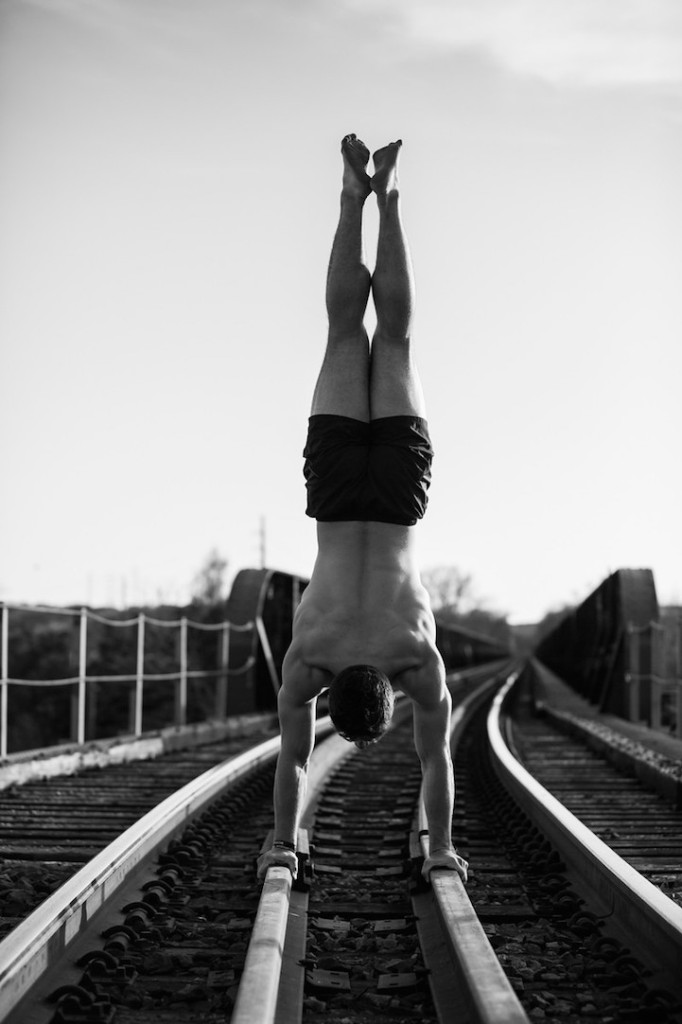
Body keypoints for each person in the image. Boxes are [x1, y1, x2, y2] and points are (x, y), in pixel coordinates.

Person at [257, 135, 468, 884]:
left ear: (385, 691)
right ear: (331, 693)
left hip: (401, 502)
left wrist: (442, 848)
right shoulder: (308, 657)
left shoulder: (415, 655)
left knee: (400, 342)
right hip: (338, 498)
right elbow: (293, 762)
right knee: (346, 333)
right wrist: (283, 841)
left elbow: (436, 758)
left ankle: (393, 197)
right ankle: (353, 195)